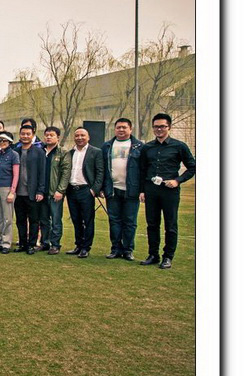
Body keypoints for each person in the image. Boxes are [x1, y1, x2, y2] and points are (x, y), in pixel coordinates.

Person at [138, 113, 196, 269]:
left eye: (162, 126)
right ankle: (153, 255)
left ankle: (168, 257)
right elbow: (143, 170)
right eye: (156, 126)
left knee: (170, 225)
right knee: (152, 224)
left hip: (169, 191)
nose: (159, 129)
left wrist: (177, 180)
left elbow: (192, 167)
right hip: (151, 190)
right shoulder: (147, 147)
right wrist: (142, 190)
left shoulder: (179, 146)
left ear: (169, 127)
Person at [101, 118, 144, 261]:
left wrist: (142, 190)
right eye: (118, 127)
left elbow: (143, 169)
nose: (121, 130)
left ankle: (128, 250)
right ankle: (115, 249)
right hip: (113, 190)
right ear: (114, 129)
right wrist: (102, 188)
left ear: (130, 129)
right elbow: (102, 169)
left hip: (131, 191)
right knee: (114, 221)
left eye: (124, 127)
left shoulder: (139, 146)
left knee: (130, 222)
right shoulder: (107, 146)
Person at [65, 127, 104, 259]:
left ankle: (86, 247)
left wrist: (94, 189)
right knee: (76, 220)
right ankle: (78, 245)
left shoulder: (96, 152)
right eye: (77, 135)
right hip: (72, 190)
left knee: (88, 220)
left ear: (88, 137)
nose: (79, 138)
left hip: (86, 190)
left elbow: (100, 172)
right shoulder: (70, 153)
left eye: (82, 135)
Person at [12, 125, 46, 255]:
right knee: (20, 220)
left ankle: (31, 245)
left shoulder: (39, 152)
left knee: (33, 220)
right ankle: (22, 243)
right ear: (19, 135)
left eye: (28, 134)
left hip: (32, 193)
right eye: (23, 134)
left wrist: (40, 191)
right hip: (18, 193)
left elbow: (42, 173)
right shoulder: (16, 151)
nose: (25, 136)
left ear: (33, 135)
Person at [39, 126, 70, 255]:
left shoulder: (63, 152)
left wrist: (60, 190)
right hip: (42, 192)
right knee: (44, 220)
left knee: (56, 220)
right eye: (47, 135)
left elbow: (66, 173)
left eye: (51, 135)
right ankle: (44, 243)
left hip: (55, 192)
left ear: (58, 137)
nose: (48, 137)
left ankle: (55, 244)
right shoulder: (40, 151)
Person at [0, 131, 20, 254]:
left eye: (4, 140)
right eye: (0, 140)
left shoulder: (14, 155)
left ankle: (7, 244)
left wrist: (12, 191)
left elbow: (16, 175)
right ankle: (1, 241)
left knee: (7, 218)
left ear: (9, 142)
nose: (2, 142)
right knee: (0, 217)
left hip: (7, 188)